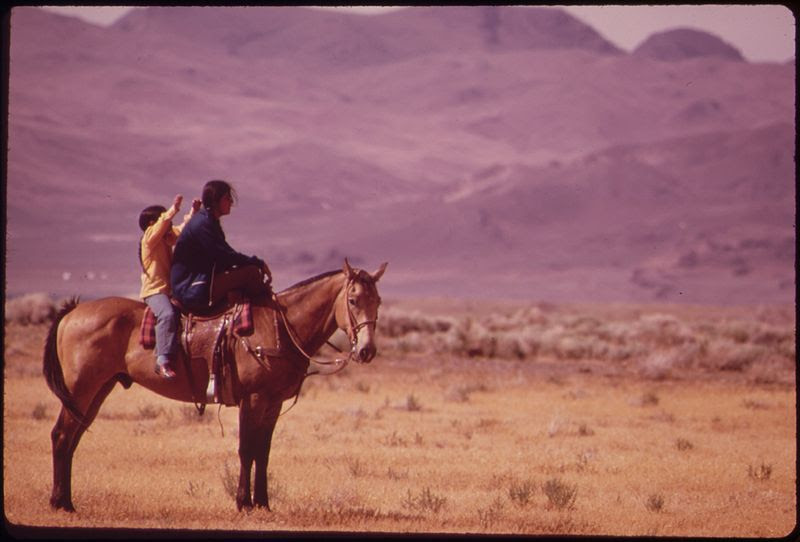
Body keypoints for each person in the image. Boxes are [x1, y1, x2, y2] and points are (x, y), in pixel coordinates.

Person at [170, 180, 272, 314]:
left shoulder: (208, 221)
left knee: (246, 271)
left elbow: (225, 255)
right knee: (250, 273)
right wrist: (257, 262)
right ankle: (264, 318)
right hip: (191, 288)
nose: (231, 202)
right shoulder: (203, 224)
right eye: (227, 198)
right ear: (215, 200)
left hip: (197, 282)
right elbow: (224, 256)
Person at [139, 194, 201, 378]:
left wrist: (193, 212)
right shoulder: (149, 238)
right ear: (152, 223)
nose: (167, 225)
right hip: (155, 292)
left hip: (169, 291)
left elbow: (181, 230)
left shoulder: (164, 240)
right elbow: (162, 226)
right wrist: (173, 209)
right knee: (167, 314)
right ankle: (162, 359)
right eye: (162, 219)